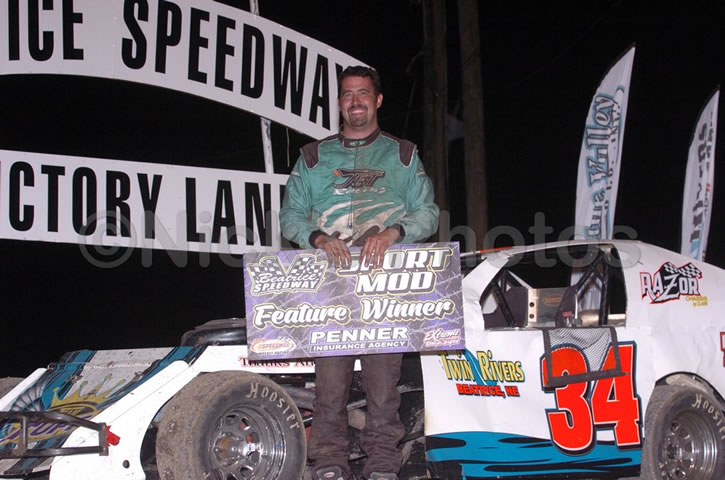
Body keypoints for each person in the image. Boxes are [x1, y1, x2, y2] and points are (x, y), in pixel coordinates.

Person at [279, 65, 439, 480]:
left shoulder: (403, 154)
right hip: (329, 289)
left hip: (386, 288)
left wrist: (392, 233)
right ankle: (329, 463)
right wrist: (317, 238)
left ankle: (383, 463)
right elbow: (290, 215)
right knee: (329, 388)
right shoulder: (313, 157)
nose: (355, 101)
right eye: (348, 94)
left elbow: (428, 212)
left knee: (383, 388)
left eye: (363, 93)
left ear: (377, 100)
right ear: (339, 102)